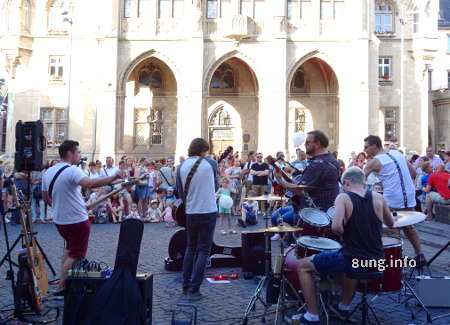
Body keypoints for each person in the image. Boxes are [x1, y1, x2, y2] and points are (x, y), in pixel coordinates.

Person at [294, 167, 394, 324]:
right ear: (363, 182)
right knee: (349, 262)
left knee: (302, 265)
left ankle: (312, 315)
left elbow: (336, 227)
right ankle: (343, 306)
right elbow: (390, 223)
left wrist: (346, 231)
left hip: (352, 258)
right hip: (376, 259)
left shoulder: (343, 198)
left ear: (347, 182)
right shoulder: (378, 197)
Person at [42, 140, 125, 294]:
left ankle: (64, 283)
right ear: (70, 154)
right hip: (77, 221)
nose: (80, 155)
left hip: (60, 221)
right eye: (78, 152)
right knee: (76, 254)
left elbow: (45, 197)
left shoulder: (48, 172)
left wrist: (61, 207)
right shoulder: (72, 170)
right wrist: (113, 178)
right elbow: (91, 183)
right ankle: (62, 288)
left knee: (69, 250)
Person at [363, 135, 426, 265]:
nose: (364, 150)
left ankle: (393, 263)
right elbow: (413, 173)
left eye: (366, 147)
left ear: (374, 146)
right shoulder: (397, 153)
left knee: (390, 229)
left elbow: (359, 180)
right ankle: (420, 255)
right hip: (408, 195)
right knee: (409, 226)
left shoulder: (374, 162)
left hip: (392, 198)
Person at [176, 138, 219, 301]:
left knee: (190, 247)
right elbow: (215, 187)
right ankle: (195, 289)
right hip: (208, 210)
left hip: (191, 212)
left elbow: (180, 193)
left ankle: (185, 285)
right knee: (204, 250)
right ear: (204, 150)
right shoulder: (211, 163)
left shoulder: (181, 166)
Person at [274, 130, 340, 223]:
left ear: (317, 144)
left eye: (308, 142)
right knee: (278, 215)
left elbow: (300, 190)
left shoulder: (318, 165)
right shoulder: (331, 159)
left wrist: (280, 180)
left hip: (314, 215)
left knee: (276, 219)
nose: (305, 145)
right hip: (326, 212)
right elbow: (304, 185)